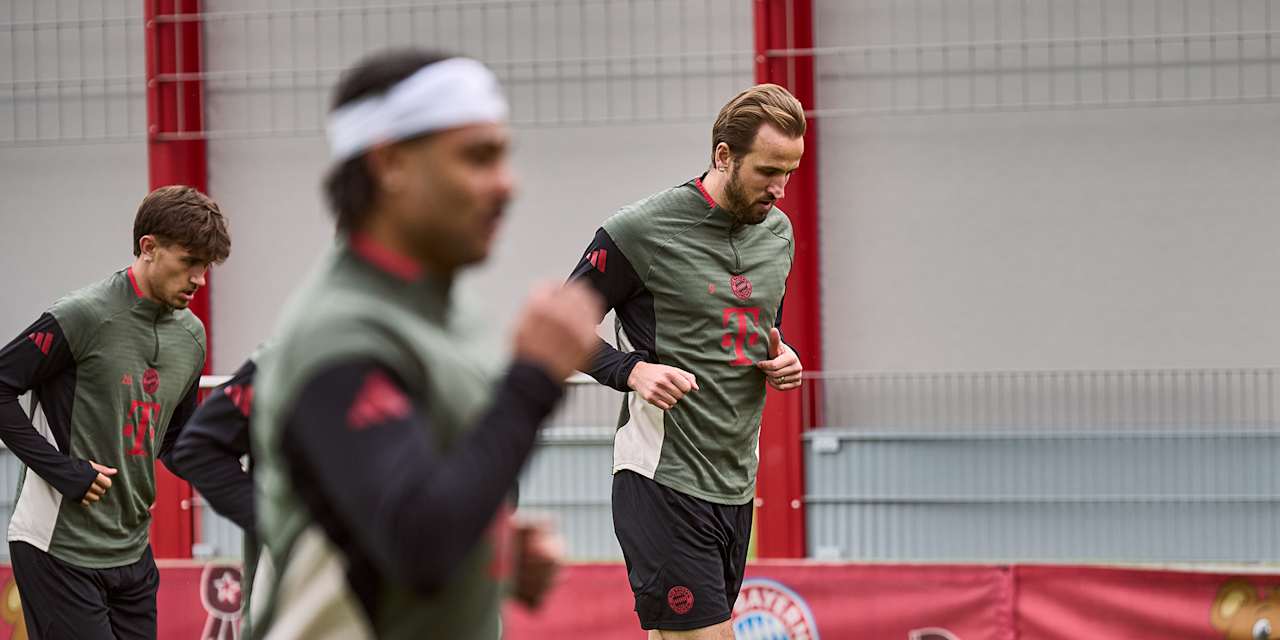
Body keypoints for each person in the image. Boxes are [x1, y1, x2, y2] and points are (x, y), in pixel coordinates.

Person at [247, 48, 601, 639]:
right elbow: (419, 540)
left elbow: (397, 513)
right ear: (390, 164)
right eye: (478, 157)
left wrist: (488, 550)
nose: (507, 184)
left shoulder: (445, 308)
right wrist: (533, 380)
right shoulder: (342, 333)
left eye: (504, 156)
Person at [567, 84, 807, 639]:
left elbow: (758, 326)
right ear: (723, 155)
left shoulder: (779, 233)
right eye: (768, 171)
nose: (781, 189)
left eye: (790, 172)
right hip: (662, 481)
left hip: (735, 487)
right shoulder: (639, 230)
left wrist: (784, 356)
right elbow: (560, 328)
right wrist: (631, 370)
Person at [0, 185, 231, 639]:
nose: (200, 278)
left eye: (206, 266)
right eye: (189, 261)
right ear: (149, 247)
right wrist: (64, 471)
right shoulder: (83, 315)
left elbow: (174, 442)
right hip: (57, 548)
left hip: (131, 554)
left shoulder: (192, 338)